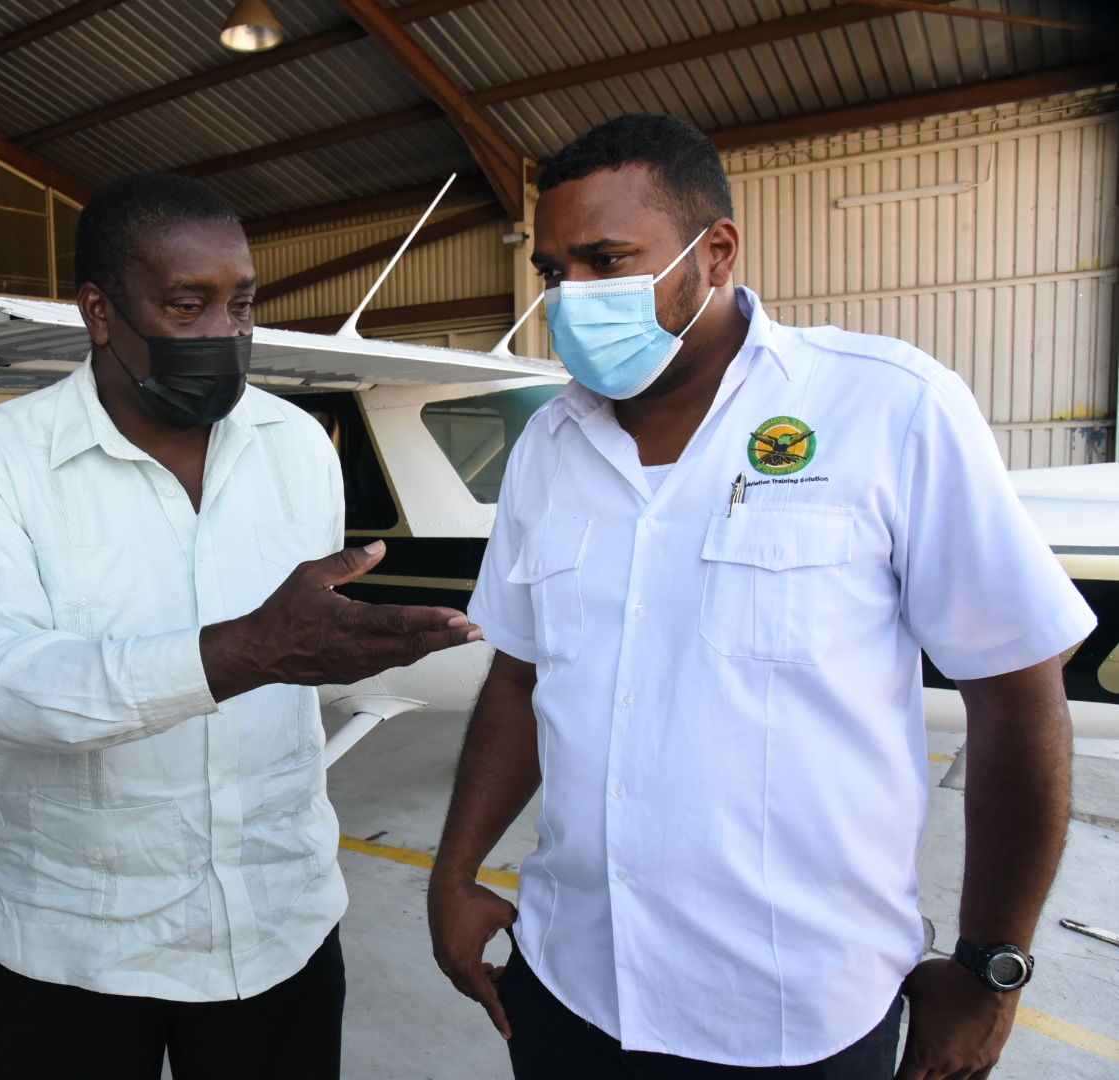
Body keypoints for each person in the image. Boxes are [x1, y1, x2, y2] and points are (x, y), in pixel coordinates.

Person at [427, 113, 1093, 1079]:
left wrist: (993, 969)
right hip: (570, 987)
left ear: (718, 250)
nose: (573, 298)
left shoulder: (888, 407)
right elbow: (523, 677)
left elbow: (1016, 696)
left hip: (800, 1016)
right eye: (553, 271)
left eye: (607, 260)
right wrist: (454, 869)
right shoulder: (548, 447)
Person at [0, 171, 480, 1080]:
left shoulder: (297, 446)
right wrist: (247, 651)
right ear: (101, 311)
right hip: (73, 945)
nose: (225, 333)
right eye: (188, 305)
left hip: (277, 926)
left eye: (241, 304)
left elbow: (305, 647)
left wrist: (348, 650)